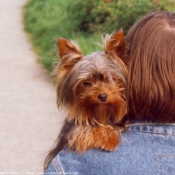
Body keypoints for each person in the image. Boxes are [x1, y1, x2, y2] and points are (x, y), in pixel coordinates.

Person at [44, 11, 175, 175]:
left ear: (133, 69)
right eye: (87, 84)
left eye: (111, 80)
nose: (102, 92)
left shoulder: (73, 162)